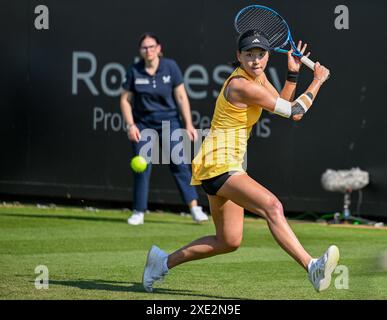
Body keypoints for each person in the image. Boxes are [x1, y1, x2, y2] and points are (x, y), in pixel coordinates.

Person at [142, 30, 340, 293]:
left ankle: (161, 263)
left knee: (229, 240)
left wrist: (293, 73)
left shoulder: (258, 78)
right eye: (249, 55)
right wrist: (317, 80)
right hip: (218, 163)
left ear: (268, 56)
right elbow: (295, 111)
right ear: (239, 56)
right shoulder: (240, 85)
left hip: (226, 163)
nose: (255, 61)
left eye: (260, 55)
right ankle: (312, 267)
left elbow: (284, 105)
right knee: (272, 206)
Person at [120, 32, 208, 225]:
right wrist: (131, 125)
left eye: (152, 47)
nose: (148, 50)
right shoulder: (134, 70)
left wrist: (188, 124)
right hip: (143, 124)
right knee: (142, 166)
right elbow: (125, 100)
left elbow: (181, 97)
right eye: (144, 47)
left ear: (159, 49)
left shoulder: (171, 67)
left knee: (179, 163)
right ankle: (138, 211)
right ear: (140, 51)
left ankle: (194, 207)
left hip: (170, 122)